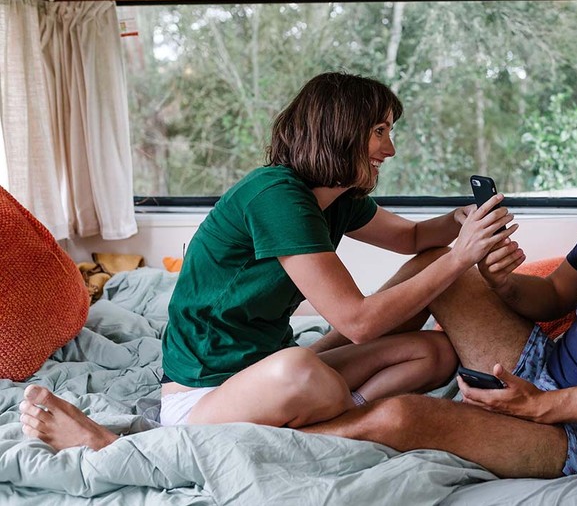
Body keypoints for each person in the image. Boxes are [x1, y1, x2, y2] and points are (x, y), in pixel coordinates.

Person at [21, 55, 577, 479]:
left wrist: (544, 405)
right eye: (380, 131)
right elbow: (549, 297)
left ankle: (178, 441)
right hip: (535, 362)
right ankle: (203, 427)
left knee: (410, 406)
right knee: (440, 282)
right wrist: (496, 273)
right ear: (348, 134)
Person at [19, 72, 513, 448]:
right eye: (379, 130)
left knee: (436, 352)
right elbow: (358, 323)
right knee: (299, 369)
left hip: (265, 363)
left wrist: (462, 221)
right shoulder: (276, 196)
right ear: (341, 131)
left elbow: (412, 239)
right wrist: (462, 256)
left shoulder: (338, 195)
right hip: (207, 391)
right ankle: (130, 443)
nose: (391, 148)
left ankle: (340, 415)